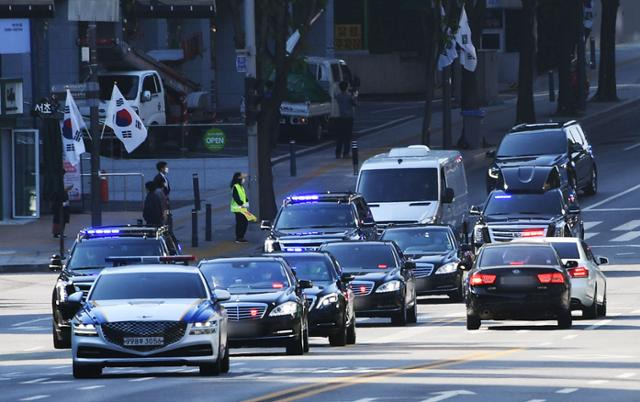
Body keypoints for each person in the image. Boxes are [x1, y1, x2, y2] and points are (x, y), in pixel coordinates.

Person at [334, 81, 357, 159]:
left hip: (340, 118)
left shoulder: (338, 96)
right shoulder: (349, 96)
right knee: (347, 136)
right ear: (346, 87)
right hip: (348, 118)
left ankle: (338, 153)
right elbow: (355, 103)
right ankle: (346, 153)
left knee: (340, 136)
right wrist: (355, 96)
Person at [230, 172, 249, 243]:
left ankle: (241, 237)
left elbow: (243, 196)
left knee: (244, 222)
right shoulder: (236, 186)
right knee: (241, 222)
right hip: (238, 208)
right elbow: (236, 197)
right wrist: (241, 203)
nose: (244, 179)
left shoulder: (240, 186)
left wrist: (246, 201)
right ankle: (239, 237)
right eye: (242, 178)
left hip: (242, 208)